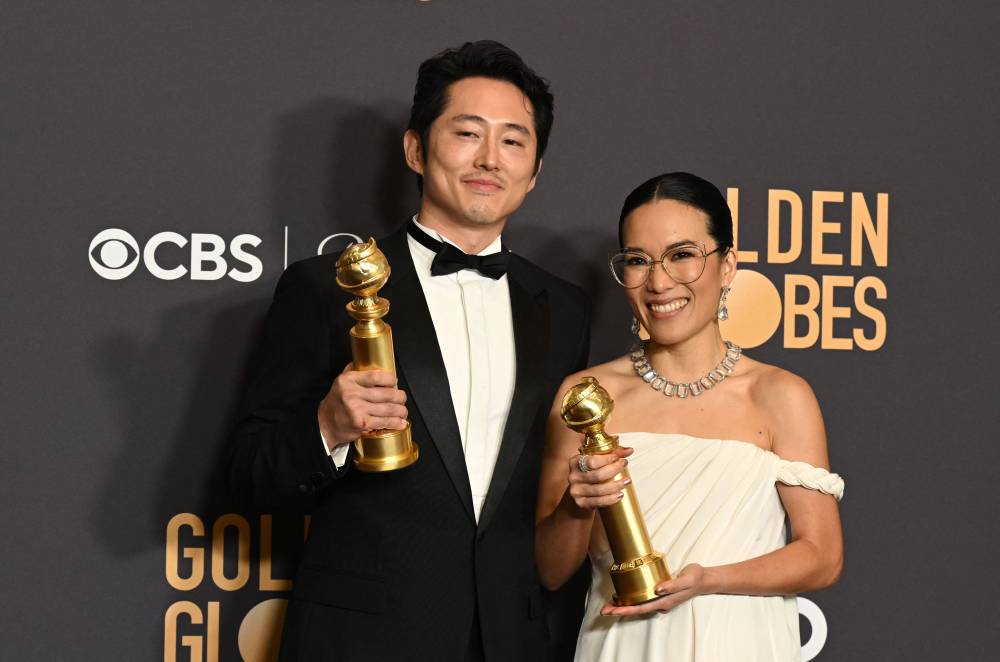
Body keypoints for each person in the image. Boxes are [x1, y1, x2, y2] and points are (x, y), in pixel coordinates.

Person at [228, 41, 590, 662]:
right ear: (415, 149)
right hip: (364, 641)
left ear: (534, 171)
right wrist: (327, 428)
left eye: (513, 141)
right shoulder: (325, 288)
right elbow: (250, 475)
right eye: (467, 133)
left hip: (511, 640)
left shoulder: (563, 308)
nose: (489, 159)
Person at [535, 172, 844, 661]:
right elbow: (550, 572)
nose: (659, 282)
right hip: (621, 647)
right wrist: (578, 506)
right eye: (638, 261)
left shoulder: (780, 395)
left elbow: (822, 557)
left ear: (727, 266)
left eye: (683, 255)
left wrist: (709, 580)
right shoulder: (585, 397)